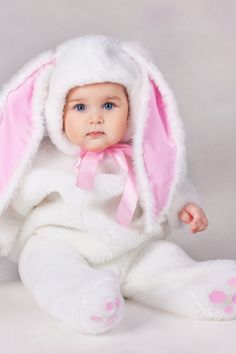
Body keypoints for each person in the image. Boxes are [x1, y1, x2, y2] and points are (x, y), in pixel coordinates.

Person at [0, 35, 235, 335]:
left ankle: (207, 288)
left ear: (132, 109)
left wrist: (184, 207)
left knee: (163, 259)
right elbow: (9, 195)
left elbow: (167, 183)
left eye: (109, 105)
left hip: (130, 248)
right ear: (58, 112)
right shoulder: (44, 162)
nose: (96, 118)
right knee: (45, 265)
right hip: (60, 244)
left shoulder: (142, 158)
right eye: (80, 108)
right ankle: (84, 299)